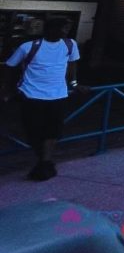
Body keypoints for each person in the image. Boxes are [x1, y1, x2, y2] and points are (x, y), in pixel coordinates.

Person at [2, 17, 80, 181]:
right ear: (51, 29)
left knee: (53, 131)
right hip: (32, 95)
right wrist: (7, 89)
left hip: (58, 96)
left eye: (67, 29)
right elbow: (9, 66)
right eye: (63, 28)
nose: (66, 32)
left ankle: (44, 163)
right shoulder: (29, 47)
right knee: (34, 132)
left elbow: (72, 65)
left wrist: (74, 84)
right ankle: (45, 163)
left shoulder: (70, 44)